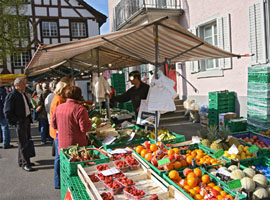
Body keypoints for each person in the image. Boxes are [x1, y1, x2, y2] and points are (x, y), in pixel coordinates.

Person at [4, 77, 35, 172]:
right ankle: (25, 163)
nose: (25, 86)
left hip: (25, 120)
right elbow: (7, 111)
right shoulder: (12, 95)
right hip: (20, 122)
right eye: (23, 84)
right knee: (23, 143)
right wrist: (16, 121)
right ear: (17, 85)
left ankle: (22, 161)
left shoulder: (22, 94)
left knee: (25, 142)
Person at [51, 86, 92, 151]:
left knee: (63, 160)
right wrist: (90, 122)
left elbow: (53, 125)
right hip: (77, 147)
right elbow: (84, 128)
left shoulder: (58, 108)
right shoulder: (80, 109)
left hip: (62, 146)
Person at [49, 77, 71, 189]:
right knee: (59, 157)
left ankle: (59, 181)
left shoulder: (58, 98)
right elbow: (56, 118)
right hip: (58, 132)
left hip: (57, 131)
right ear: (62, 89)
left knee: (59, 156)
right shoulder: (58, 100)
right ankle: (57, 182)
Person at [0, 79, 13, 149]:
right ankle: (6, 143)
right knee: (5, 127)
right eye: (1, 82)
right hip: (1, 111)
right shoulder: (2, 91)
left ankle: (4, 142)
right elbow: (5, 102)